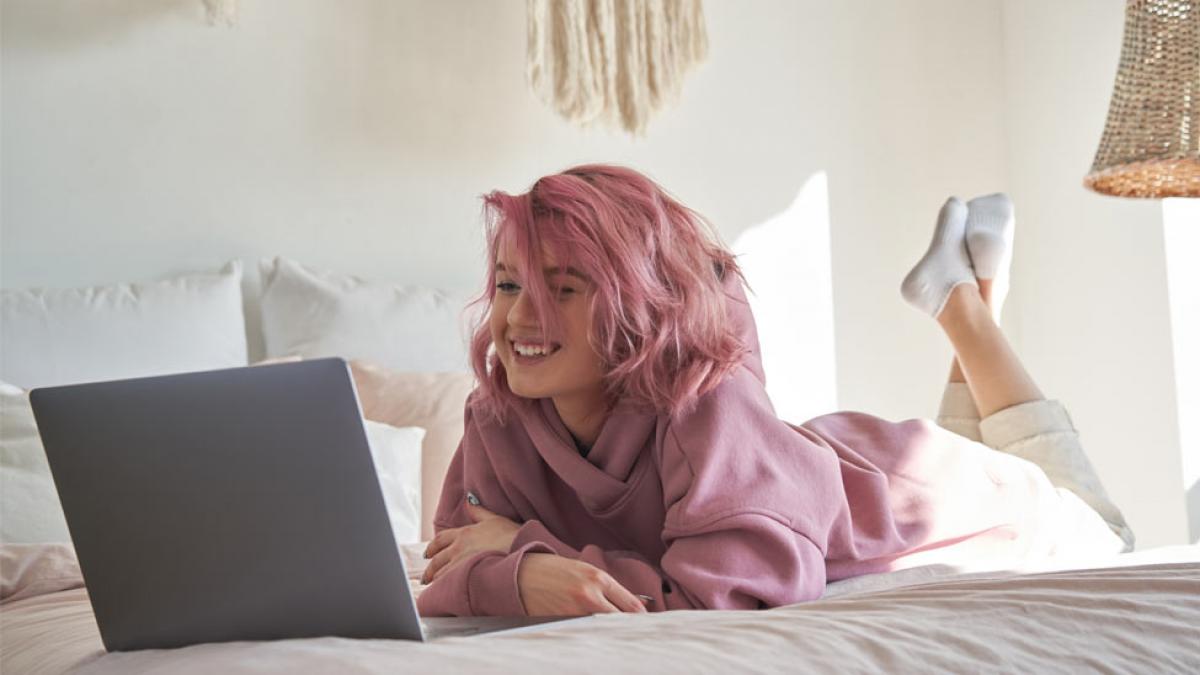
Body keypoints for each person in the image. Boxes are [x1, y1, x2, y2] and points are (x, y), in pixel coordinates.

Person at [415, 164, 1133, 617]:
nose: (518, 318)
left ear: (638, 305)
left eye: (562, 289)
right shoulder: (498, 410)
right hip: (794, 471)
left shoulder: (705, 397)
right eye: (509, 284)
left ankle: (966, 307)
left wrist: (529, 555)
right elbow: (448, 565)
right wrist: (523, 570)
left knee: (1107, 529)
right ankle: (968, 292)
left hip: (925, 497)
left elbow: (721, 596)